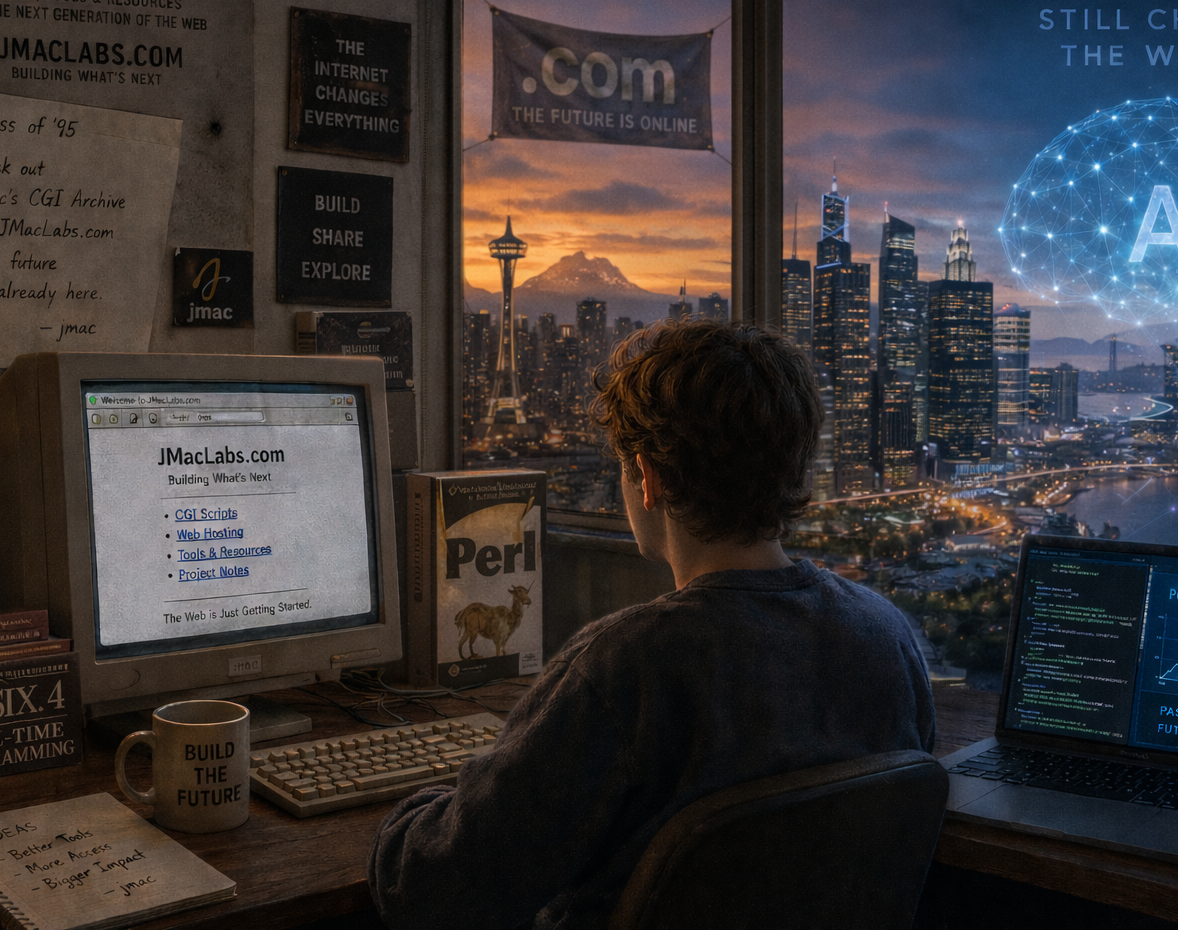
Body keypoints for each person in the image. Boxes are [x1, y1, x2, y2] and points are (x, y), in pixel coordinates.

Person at [369, 319, 934, 930]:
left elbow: (435, 888)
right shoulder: (888, 636)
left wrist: (423, 803)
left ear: (650, 479)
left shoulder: (624, 669)